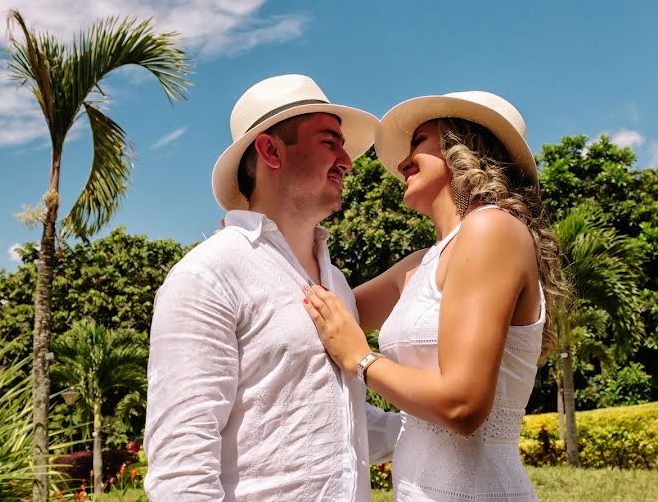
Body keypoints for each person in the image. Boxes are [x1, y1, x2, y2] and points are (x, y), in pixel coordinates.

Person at [145, 74, 402, 501]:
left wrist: (439, 424)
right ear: (270, 150)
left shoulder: (335, 282)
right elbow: (181, 470)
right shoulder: (208, 276)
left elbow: (337, 426)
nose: (348, 161)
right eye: (328, 142)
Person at [302, 91, 563, 501]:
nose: (404, 161)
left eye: (419, 141)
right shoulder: (420, 263)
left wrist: (362, 360)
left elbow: (464, 406)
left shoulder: (492, 229)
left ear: (465, 148)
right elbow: (326, 310)